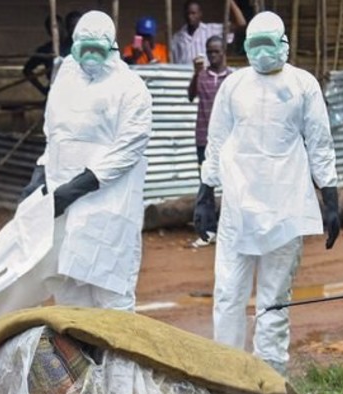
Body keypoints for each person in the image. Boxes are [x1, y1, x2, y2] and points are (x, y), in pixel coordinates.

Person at [194, 11, 339, 375]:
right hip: (237, 208)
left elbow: (320, 143)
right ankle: (225, 376)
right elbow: (217, 141)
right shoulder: (234, 85)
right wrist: (205, 193)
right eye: (254, 46)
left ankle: (269, 382)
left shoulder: (303, 84)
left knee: (274, 301)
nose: (261, 53)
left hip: (285, 207)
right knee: (228, 294)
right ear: (245, 48)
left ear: (283, 44)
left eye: (267, 45)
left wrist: (331, 199)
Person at [20, 11, 152, 311]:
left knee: (111, 298)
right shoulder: (66, 76)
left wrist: (75, 188)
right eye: (84, 49)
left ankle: (116, 360)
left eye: (98, 50)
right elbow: (53, 136)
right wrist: (38, 177)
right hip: (62, 204)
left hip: (109, 205)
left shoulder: (130, 87)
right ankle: (77, 359)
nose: (90, 57)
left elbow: (128, 149)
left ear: (112, 47)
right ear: (74, 46)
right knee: (69, 297)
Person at [186, 34, 234, 248]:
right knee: (206, 185)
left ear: (224, 52)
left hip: (228, 140)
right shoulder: (202, 76)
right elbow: (190, 95)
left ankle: (231, 229)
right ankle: (207, 231)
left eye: (216, 51)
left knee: (233, 185)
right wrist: (196, 74)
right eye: (210, 52)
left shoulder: (232, 79)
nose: (213, 55)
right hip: (203, 139)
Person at [170, 0, 247, 65]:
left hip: (206, 77)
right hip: (184, 77)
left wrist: (230, 1)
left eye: (193, 13)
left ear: (200, 14)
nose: (190, 17)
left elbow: (241, 23)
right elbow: (174, 61)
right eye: (188, 14)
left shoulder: (210, 30)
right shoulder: (178, 37)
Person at [22, 12, 80, 95]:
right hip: (55, 90)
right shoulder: (46, 49)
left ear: (63, 26)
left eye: (56, 27)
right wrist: (42, 89)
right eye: (51, 29)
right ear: (48, 32)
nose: (55, 31)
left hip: (75, 89)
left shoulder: (74, 44)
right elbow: (27, 70)